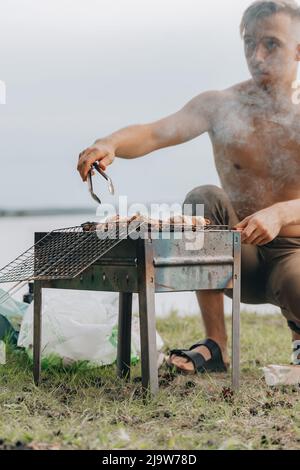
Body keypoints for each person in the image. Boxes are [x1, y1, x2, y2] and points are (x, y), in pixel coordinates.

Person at [78, 0, 300, 374]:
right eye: (249, 43)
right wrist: (109, 143)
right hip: (235, 251)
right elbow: (152, 133)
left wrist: (280, 213)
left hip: (292, 255)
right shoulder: (220, 104)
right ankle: (215, 345)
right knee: (203, 198)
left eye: (271, 44)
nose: (257, 55)